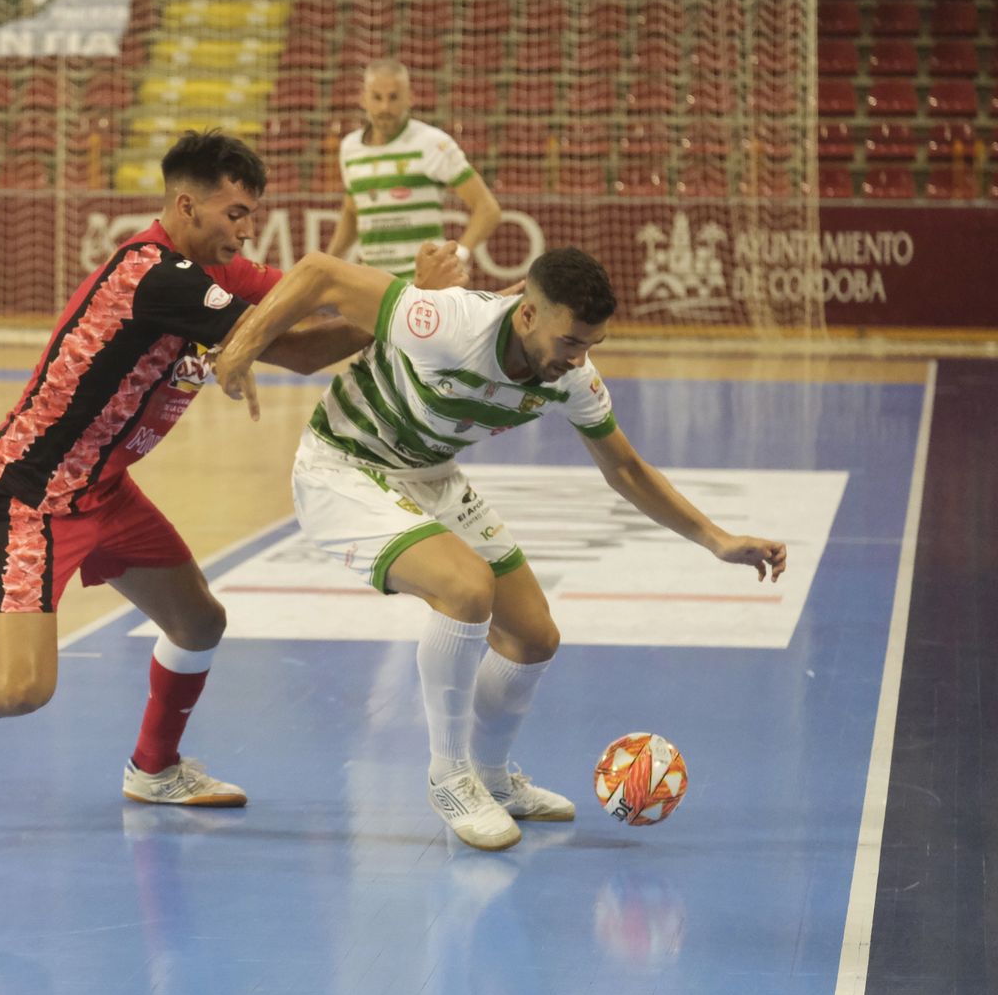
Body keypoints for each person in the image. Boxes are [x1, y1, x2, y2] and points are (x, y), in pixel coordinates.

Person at [0, 130, 462, 802]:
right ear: (187, 207)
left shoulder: (219, 270)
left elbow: (313, 313)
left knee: (199, 624)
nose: (247, 232)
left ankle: (154, 768)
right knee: (19, 689)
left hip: (102, 492)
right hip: (29, 494)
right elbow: (304, 347)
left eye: (252, 215)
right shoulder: (156, 275)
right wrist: (411, 300)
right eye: (235, 214)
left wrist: (412, 304)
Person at [210, 246, 787, 851]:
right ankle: (450, 774)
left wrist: (717, 540)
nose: (578, 359)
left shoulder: (572, 379)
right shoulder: (447, 322)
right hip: (343, 468)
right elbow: (319, 273)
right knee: (464, 589)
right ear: (527, 315)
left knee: (534, 637)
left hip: (429, 474)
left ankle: (491, 777)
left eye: (591, 344)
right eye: (569, 342)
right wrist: (241, 349)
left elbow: (627, 470)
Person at [325, 59, 502, 285]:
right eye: (377, 97)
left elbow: (488, 209)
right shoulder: (350, 147)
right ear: (363, 99)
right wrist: (328, 263)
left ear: (410, 97)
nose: (385, 108)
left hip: (421, 288)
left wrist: (459, 255)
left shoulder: (432, 143)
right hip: (371, 285)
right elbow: (352, 211)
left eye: (394, 97)